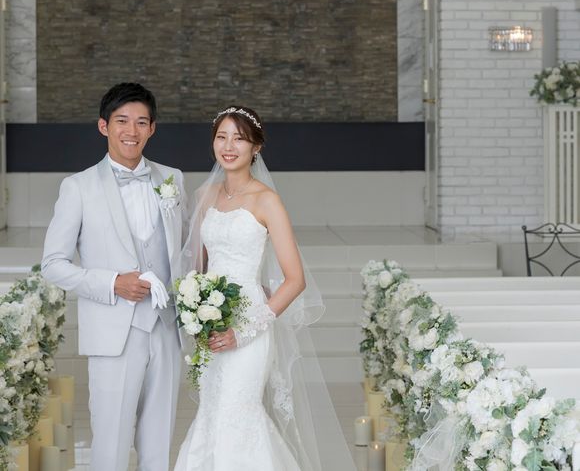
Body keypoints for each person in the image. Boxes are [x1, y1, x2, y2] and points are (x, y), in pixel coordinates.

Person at [175, 106, 357, 471]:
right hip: (212, 324)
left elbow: (295, 279)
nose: (228, 146)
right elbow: (197, 268)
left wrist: (242, 331)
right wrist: (196, 313)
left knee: (237, 414)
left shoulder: (267, 200)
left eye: (239, 139)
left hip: (250, 324)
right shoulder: (204, 195)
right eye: (221, 137)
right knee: (212, 413)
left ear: (256, 147)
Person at [41, 83, 186, 471]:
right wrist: (112, 283)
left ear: (152, 128)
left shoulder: (173, 180)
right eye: (122, 121)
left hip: (166, 328)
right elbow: (53, 264)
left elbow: (184, 251)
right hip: (113, 333)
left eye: (141, 122)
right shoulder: (78, 187)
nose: (131, 131)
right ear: (103, 126)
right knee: (110, 446)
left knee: (159, 445)